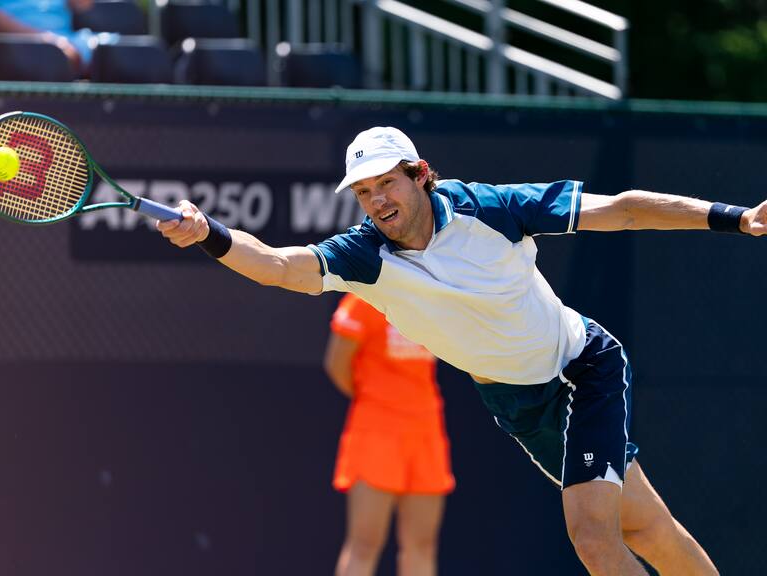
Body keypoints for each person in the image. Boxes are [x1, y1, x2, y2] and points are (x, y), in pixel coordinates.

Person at [155, 125, 767, 575]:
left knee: (592, 535)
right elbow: (277, 267)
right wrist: (209, 233)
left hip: (581, 371)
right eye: (363, 193)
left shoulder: (493, 208)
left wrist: (735, 218)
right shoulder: (363, 255)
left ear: (421, 174)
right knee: (645, 526)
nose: (377, 203)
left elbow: (627, 211)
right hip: (518, 404)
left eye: (387, 184)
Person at [324, 293, 454, 576]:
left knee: (423, 544)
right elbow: (337, 363)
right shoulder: (363, 298)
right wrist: (376, 400)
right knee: (365, 543)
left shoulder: (430, 293)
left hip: (426, 428)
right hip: (376, 431)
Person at [0, 0, 96, 76]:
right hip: (16, 44)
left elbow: (82, 5)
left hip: (67, 41)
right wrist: (45, 40)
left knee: (104, 53)